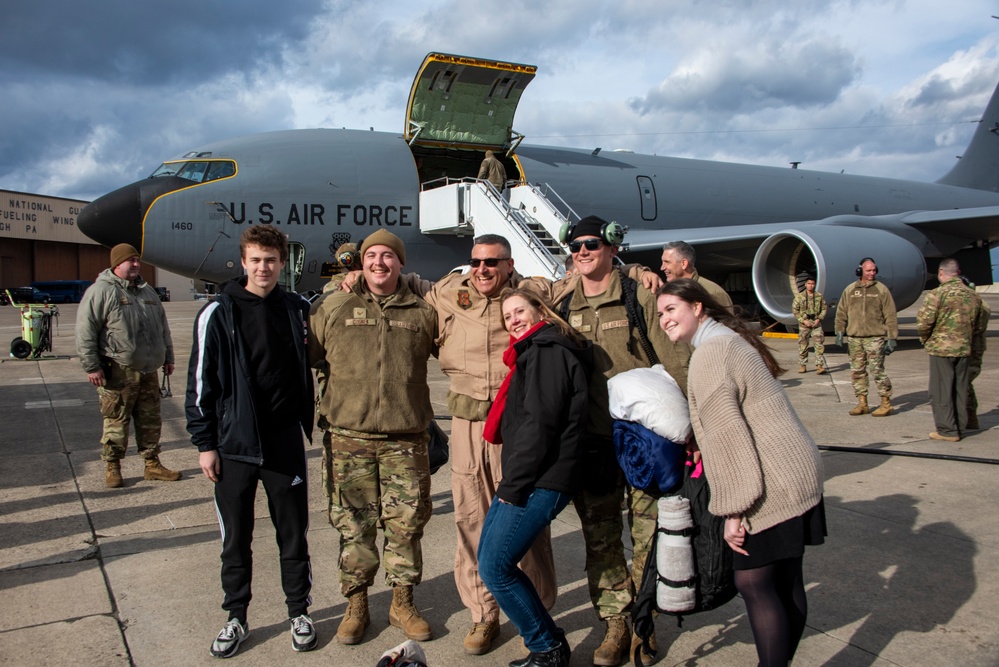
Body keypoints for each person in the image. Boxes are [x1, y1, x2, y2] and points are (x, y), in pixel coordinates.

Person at [656, 278, 826, 667]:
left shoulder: (710, 354)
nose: (665, 319)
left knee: (753, 582)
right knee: (785, 582)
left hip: (774, 481)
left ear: (697, 307)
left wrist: (734, 511)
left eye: (672, 309)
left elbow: (727, 438)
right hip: (797, 470)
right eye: (660, 312)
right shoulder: (727, 341)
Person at [555, 216, 690, 666]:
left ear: (612, 247)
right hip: (592, 441)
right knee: (601, 539)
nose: (582, 251)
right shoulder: (561, 300)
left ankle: (644, 622)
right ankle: (615, 623)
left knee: (649, 536)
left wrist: (697, 430)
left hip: (644, 442)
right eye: (575, 246)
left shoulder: (638, 295)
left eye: (591, 243)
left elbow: (673, 360)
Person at [186, 226, 317, 658]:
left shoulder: (297, 308)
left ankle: (299, 610)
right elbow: (200, 384)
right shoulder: (217, 313)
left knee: (293, 534)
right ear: (243, 262)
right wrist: (205, 443)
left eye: (271, 260)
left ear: (283, 263)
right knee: (235, 539)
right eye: (256, 260)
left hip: (283, 444)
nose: (264, 267)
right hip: (234, 445)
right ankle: (236, 617)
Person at [309, 229, 438, 646]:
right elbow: (309, 356)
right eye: (371, 256)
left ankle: (402, 603)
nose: (379, 262)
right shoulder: (334, 305)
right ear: (361, 262)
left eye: (388, 256)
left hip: (405, 438)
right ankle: (357, 604)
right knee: (354, 525)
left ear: (402, 263)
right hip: (349, 437)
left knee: (406, 525)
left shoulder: (422, 310)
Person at [478, 289, 592, 667]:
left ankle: (547, 647)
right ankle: (548, 641)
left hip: (541, 478)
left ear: (540, 311)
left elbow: (538, 426)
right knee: (491, 561)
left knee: (496, 567)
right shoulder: (534, 351)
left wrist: (512, 487)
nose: (513, 320)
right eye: (507, 316)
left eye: (519, 311)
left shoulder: (546, 352)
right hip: (529, 476)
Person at [76, 243, 181, 489]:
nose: (135, 264)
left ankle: (152, 464)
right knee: (116, 419)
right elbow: (85, 331)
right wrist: (92, 366)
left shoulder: (148, 293)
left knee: (150, 419)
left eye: (137, 260)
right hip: (118, 368)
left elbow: (163, 328)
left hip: (148, 369)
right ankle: (113, 467)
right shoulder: (101, 291)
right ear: (117, 264)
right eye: (130, 260)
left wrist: (168, 357)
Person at [915, 258, 989, 442]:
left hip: (941, 350)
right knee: (960, 388)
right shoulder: (973, 296)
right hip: (964, 349)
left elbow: (924, 323)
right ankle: (960, 426)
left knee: (941, 390)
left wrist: (927, 340)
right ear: (957, 272)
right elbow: (980, 325)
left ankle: (947, 430)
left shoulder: (937, 294)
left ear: (941, 273)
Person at [834, 257, 898, 417]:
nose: (872, 273)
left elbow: (890, 314)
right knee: (857, 371)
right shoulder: (850, 290)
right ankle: (862, 403)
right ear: (860, 270)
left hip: (874, 338)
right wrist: (839, 331)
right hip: (855, 338)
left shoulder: (881, 290)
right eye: (869, 270)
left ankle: (886, 403)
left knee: (877, 371)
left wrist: (892, 337)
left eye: (874, 270)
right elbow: (841, 311)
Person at [660, 240, 735, 314]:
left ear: (684, 263)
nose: (662, 268)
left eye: (667, 262)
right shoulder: (669, 292)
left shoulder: (713, 293)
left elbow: (728, 323)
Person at [791, 274, 828, 374]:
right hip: (804, 325)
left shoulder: (819, 297)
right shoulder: (800, 297)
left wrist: (819, 319)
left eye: (812, 284)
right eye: (809, 284)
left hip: (816, 324)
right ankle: (803, 365)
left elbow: (824, 309)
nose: (811, 285)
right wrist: (803, 320)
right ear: (805, 284)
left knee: (819, 345)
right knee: (803, 345)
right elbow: (795, 311)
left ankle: (819, 365)